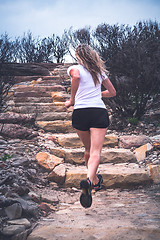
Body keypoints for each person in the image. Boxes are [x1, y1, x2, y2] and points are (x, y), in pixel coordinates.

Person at [65, 44, 116, 208]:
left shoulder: (74, 68)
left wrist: (72, 100)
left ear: (78, 56)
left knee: (88, 149)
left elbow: (77, 77)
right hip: (98, 112)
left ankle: (92, 180)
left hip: (81, 113)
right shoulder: (99, 72)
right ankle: (90, 180)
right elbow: (113, 92)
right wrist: (97, 93)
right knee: (95, 152)